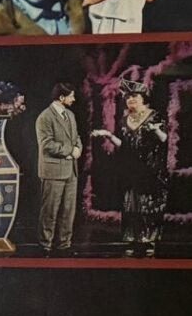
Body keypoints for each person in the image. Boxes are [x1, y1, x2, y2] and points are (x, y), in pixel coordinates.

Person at [95, 82, 170, 255]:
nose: (130, 100)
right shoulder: (124, 119)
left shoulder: (155, 116)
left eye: (134, 96)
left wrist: (156, 130)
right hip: (130, 168)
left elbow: (164, 139)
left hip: (150, 169)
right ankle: (132, 239)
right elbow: (123, 144)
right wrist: (108, 135)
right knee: (130, 204)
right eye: (128, 97)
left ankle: (149, 240)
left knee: (148, 205)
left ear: (143, 99)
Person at [34, 81, 83, 252]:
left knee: (68, 210)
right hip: (53, 171)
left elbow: (77, 137)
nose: (74, 99)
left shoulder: (70, 115)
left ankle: (64, 244)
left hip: (71, 171)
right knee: (50, 210)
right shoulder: (45, 117)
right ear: (62, 97)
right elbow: (46, 144)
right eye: (71, 96)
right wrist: (70, 151)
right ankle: (45, 244)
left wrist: (78, 149)